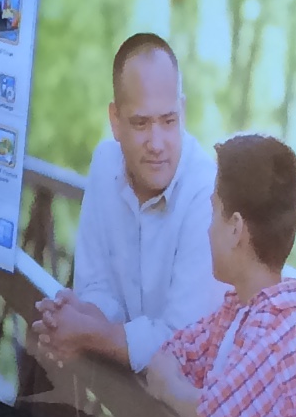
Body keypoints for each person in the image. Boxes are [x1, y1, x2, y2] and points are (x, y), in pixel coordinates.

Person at [141, 132, 296, 417]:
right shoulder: (240, 311)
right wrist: (179, 386)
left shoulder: (276, 333)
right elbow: (172, 352)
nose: (207, 228)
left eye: (213, 211)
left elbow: (215, 415)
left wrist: (170, 388)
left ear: (236, 227)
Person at [29, 33, 222, 376]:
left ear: (183, 111)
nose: (157, 143)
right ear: (115, 121)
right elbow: (95, 286)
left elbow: (182, 347)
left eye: (168, 120)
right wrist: (75, 316)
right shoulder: (105, 164)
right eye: (140, 123)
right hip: (139, 400)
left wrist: (91, 332)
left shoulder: (206, 197)